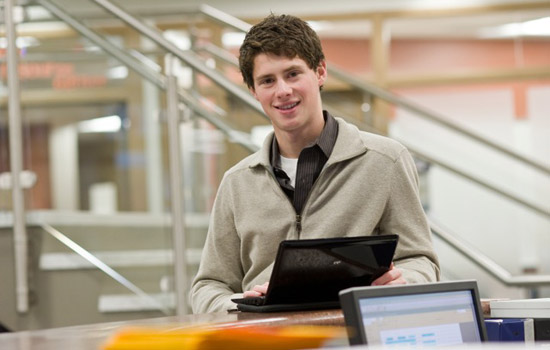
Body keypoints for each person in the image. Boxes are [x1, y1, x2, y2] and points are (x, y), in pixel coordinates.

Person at [190, 13, 440, 313]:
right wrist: (242, 304)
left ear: (320, 72)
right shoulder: (237, 182)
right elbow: (207, 286)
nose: (282, 90)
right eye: (267, 81)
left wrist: (404, 282)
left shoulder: (385, 161)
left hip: (355, 336)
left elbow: (421, 260)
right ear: (254, 91)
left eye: (293, 73)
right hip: (269, 342)